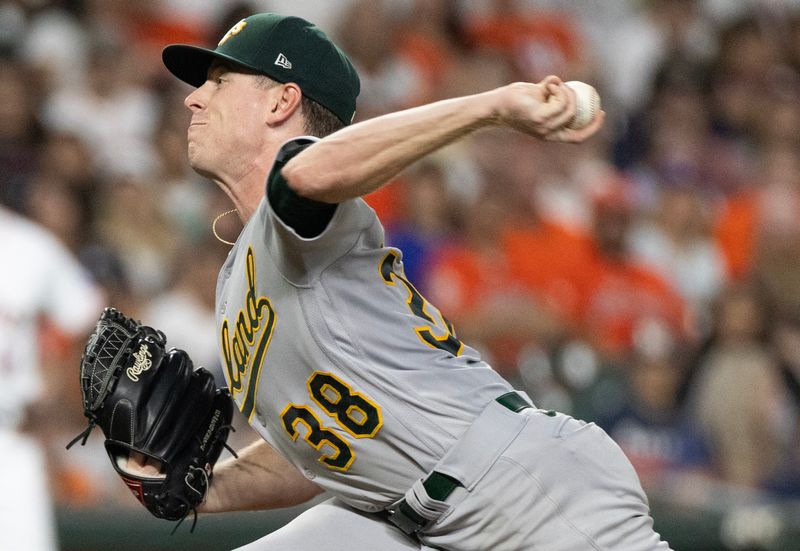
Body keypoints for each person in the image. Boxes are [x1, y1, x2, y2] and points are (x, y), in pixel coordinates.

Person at [150, 12, 671, 550]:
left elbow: (304, 176)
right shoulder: (240, 275)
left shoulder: (306, 208)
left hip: (523, 490)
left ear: (281, 102)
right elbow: (317, 457)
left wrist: (491, 106)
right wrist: (200, 489)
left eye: (217, 83)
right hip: (410, 516)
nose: (193, 98)